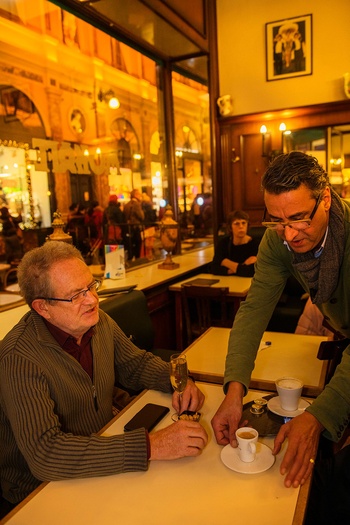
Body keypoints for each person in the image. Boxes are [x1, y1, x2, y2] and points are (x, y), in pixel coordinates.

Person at [0, 242, 207, 516]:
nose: (93, 300)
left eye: (91, 286)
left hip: (100, 448)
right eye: (76, 295)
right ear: (43, 307)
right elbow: (46, 455)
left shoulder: (97, 322)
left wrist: (178, 381)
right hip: (40, 490)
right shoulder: (19, 358)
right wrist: (152, 445)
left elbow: (135, 364)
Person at [211, 151, 350, 495]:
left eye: (300, 218)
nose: (288, 234)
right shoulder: (278, 241)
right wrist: (234, 388)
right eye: (276, 220)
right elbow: (254, 309)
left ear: (327, 199)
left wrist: (319, 416)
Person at [211, 210, 259, 277]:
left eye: (243, 223)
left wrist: (225, 262)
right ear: (230, 227)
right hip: (228, 282)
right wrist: (243, 265)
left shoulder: (255, 244)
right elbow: (214, 268)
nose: (241, 226)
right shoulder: (223, 243)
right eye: (237, 223)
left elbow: (252, 271)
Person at [123, 189, 145, 259]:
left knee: (130, 244)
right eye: (139, 194)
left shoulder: (126, 205)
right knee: (138, 244)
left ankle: (130, 258)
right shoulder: (137, 204)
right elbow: (141, 216)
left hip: (128, 227)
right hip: (136, 227)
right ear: (135, 195)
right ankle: (137, 259)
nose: (140, 196)